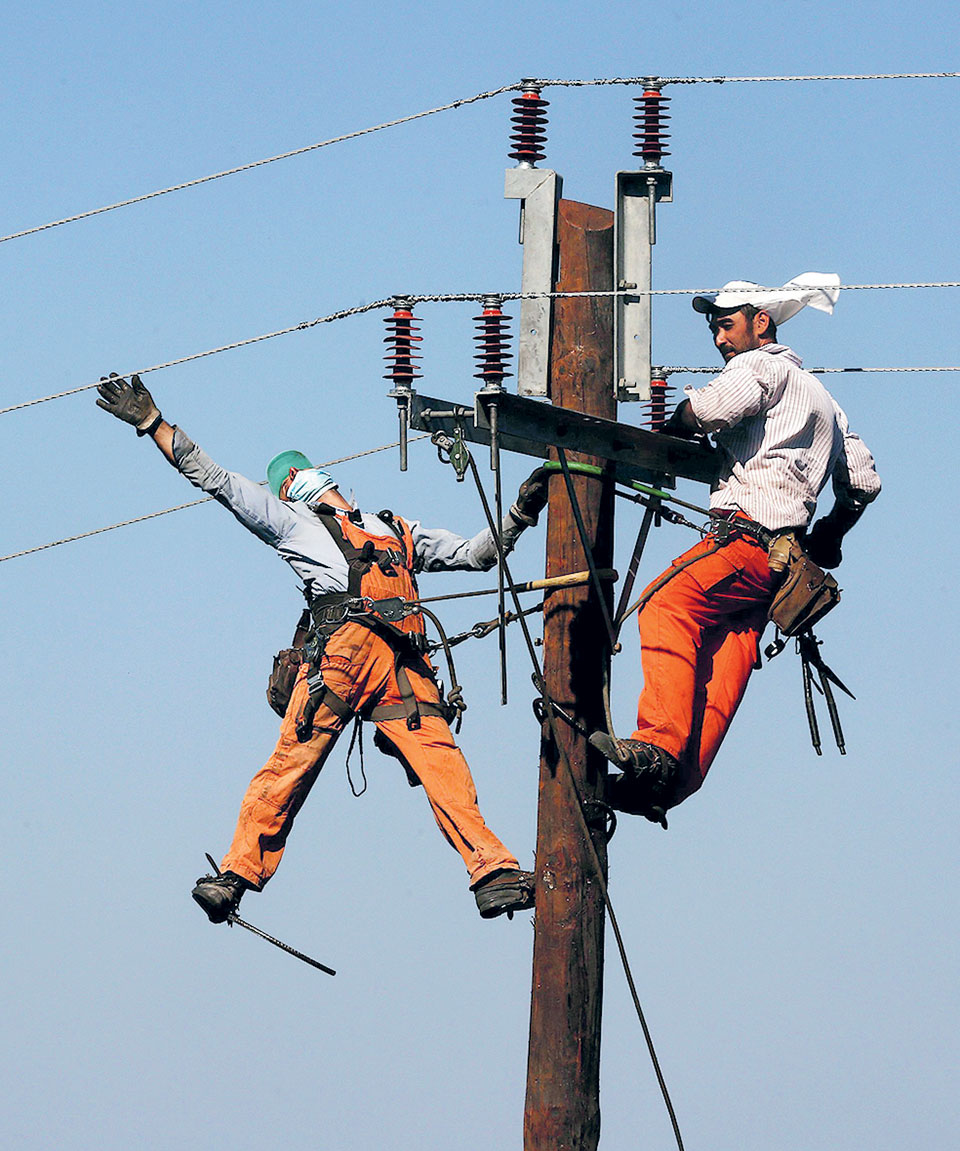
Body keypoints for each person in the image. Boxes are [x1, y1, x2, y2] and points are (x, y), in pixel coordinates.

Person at [96, 373, 549, 921]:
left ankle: (493, 874)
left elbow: (479, 555)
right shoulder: (296, 524)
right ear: (302, 480)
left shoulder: (395, 529)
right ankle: (237, 875)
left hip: (402, 666)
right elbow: (218, 482)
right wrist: (153, 424)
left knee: (438, 765)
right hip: (345, 656)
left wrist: (521, 514)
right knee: (297, 762)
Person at [591, 273, 881, 825]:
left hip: (743, 542)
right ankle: (672, 784)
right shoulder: (825, 401)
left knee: (667, 606)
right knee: (728, 655)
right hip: (781, 569)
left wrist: (675, 429)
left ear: (760, 322)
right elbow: (863, 485)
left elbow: (705, 412)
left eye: (726, 325)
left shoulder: (759, 366)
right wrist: (828, 537)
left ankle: (656, 750)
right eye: (714, 330)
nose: (720, 340)